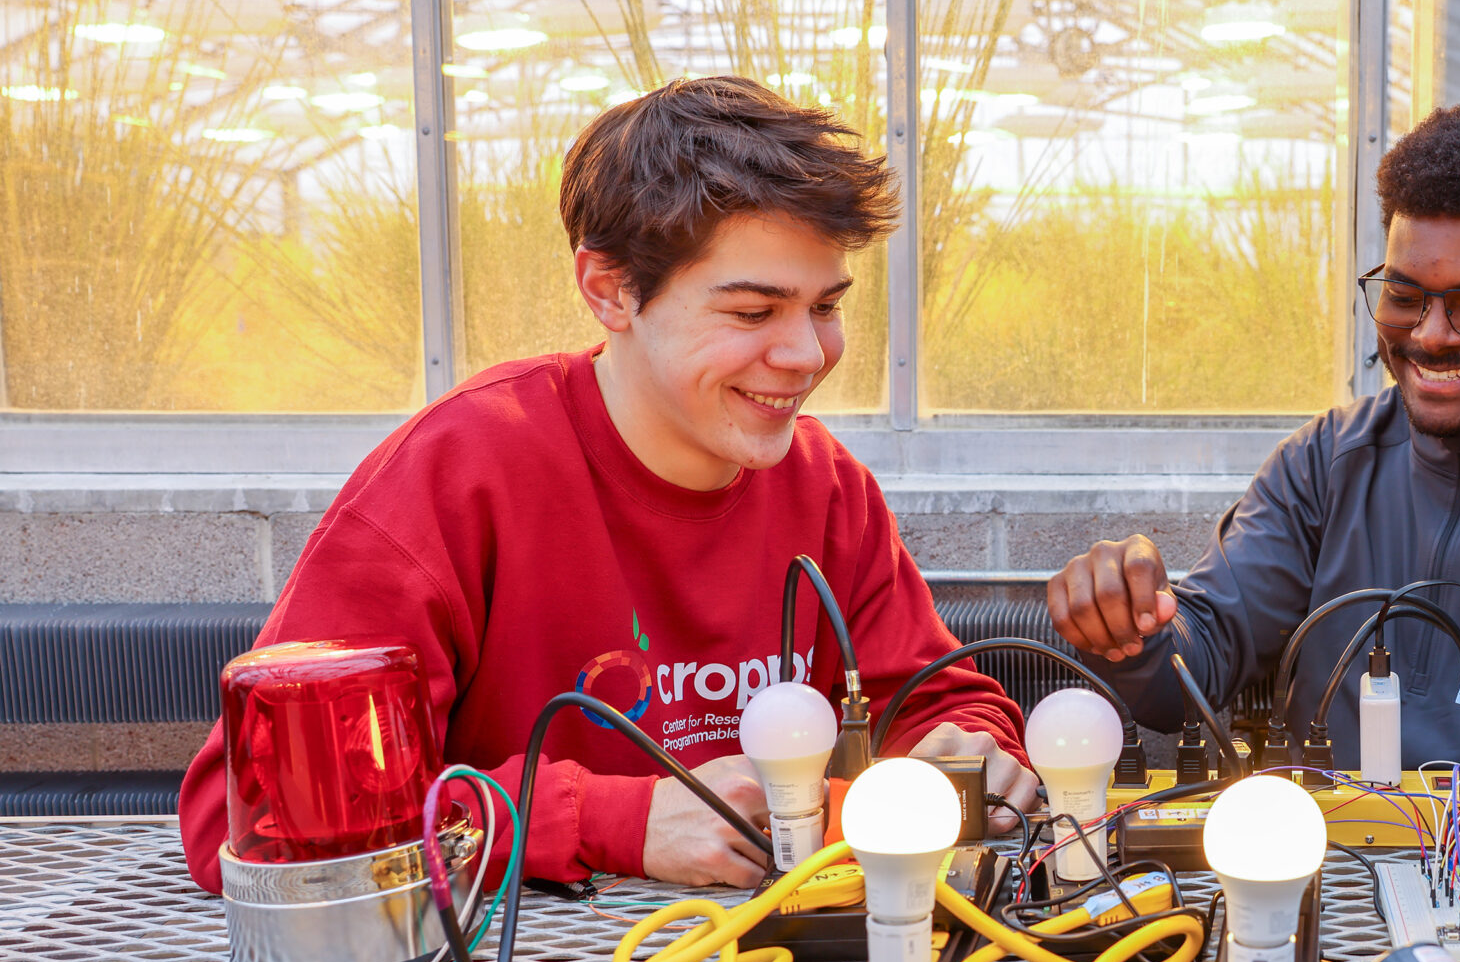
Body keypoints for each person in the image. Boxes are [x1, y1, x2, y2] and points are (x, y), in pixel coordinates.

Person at [179, 77, 1033, 894]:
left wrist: (966, 753)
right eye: (752, 312)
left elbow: (938, 700)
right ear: (610, 290)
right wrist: (611, 819)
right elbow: (248, 824)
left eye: (824, 306)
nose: (807, 356)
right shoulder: (457, 473)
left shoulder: (824, 484)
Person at [1045, 103, 1460, 778]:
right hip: (1309, 866)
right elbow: (1189, 677)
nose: (1431, 335)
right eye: (1405, 295)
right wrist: (1132, 630)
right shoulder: (1327, 462)